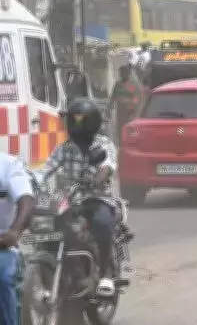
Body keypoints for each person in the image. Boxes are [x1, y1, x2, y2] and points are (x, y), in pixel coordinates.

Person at [40, 98, 123, 297]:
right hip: (72, 199)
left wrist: (98, 178)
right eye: (74, 121)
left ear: (93, 122)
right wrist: (29, 181)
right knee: (53, 223)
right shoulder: (64, 148)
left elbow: (108, 165)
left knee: (102, 223)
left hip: (98, 199)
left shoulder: (104, 144)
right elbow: (46, 168)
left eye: (82, 121)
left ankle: (105, 274)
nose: (77, 126)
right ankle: (72, 271)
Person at [0, 154, 34, 325]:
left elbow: (25, 200)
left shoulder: (8, 165)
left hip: (3, 246)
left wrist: (14, 231)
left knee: (3, 279)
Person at [109, 64, 144, 146]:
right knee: (120, 130)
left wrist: (127, 101)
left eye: (123, 72)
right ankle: (121, 146)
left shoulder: (134, 84)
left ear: (128, 73)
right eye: (120, 73)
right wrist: (109, 108)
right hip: (120, 111)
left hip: (130, 112)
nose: (121, 74)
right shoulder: (118, 84)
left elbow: (137, 100)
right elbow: (113, 97)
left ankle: (130, 145)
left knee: (129, 130)